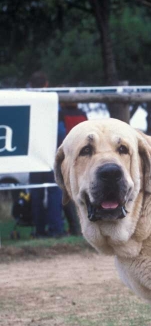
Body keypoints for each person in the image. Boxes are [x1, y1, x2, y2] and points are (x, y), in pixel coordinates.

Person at [28, 71, 66, 238]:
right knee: (54, 190)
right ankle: (56, 229)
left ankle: (39, 229)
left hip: (34, 153)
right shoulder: (52, 102)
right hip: (51, 152)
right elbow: (60, 130)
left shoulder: (27, 101)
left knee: (36, 192)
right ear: (46, 84)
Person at [59, 100, 89, 235]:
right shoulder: (82, 114)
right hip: (86, 159)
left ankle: (75, 227)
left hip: (69, 158)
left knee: (68, 194)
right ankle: (78, 227)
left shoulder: (61, 115)